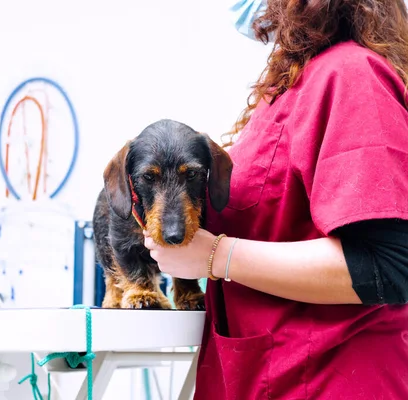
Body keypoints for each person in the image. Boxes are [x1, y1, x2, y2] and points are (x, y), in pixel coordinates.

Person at [144, 0, 408, 398]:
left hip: (330, 378)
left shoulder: (352, 75)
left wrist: (218, 256)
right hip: (267, 374)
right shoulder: (290, 86)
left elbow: (388, 266)